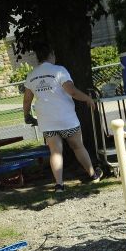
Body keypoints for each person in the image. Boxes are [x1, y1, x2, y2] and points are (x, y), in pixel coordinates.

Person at [23, 52, 103, 192]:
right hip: (66, 117)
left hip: (46, 120)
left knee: (55, 152)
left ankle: (59, 185)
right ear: (51, 55)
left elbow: (27, 100)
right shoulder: (59, 70)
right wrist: (87, 98)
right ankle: (93, 175)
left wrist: (26, 115)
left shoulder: (32, 75)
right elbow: (72, 91)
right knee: (78, 146)